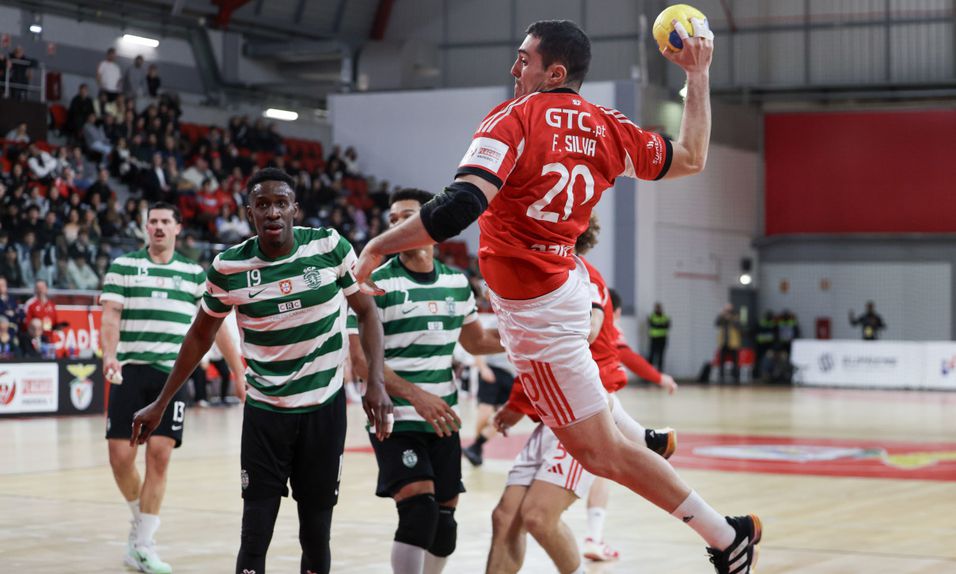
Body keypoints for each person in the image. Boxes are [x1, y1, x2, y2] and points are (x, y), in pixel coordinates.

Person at [353, 19, 760, 573]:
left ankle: (724, 533)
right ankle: (643, 434)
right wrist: (699, 74)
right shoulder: (608, 125)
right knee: (585, 414)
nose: (514, 68)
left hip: (534, 309)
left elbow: (456, 209)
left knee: (600, 453)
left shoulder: (513, 118)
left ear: (555, 71)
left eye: (524, 59)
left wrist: (377, 245)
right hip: (560, 284)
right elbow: (690, 156)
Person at [130, 168, 393, 574]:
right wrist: (161, 402)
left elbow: (366, 311)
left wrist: (374, 381)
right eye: (263, 204)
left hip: (323, 410)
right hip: (265, 413)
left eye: (281, 203)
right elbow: (199, 337)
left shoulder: (329, 246)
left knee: (315, 535)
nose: (273, 212)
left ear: (295, 209)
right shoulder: (228, 267)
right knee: (254, 536)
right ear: (249, 213)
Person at [346, 188, 504, 574]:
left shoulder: (455, 282)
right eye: (393, 220)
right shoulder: (372, 282)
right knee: (418, 510)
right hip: (394, 417)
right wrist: (416, 396)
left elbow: (476, 341)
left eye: (408, 218)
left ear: (432, 224)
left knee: (444, 524)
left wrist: (534, 337)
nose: (398, 226)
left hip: (442, 418)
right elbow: (361, 363)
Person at [99, 201, 245, 574]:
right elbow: (111, 317)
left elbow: (216, 326)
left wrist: (237, 370)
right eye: (153, 222)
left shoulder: (194, 275)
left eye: (166, 221)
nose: (159, 227)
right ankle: (138, 520)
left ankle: (144, 544)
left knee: (159, 458)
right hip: (130, 371)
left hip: (171, 377)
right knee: (120, 458)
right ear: (145, 227)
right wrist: (110, 356)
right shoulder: (124, 267)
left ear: (178, 228)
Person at [715, 304, 742, 384]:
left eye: (728, 309)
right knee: (721, 362)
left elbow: (739, 326)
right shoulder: (722, 318)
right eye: (726, 309)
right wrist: (721, 315)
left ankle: (736, 378)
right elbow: (717, 323)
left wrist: (730, 319)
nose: (727, 311)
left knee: (735, 362)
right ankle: (721, 378)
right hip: (724, 343)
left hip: (733, 343)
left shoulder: (736, 317)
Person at [753, 310, 777, 380]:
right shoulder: (768, 323)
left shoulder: (770, 323)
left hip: (764, 345)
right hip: (761, 345)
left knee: (765, 361)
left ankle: (767, 375)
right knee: (758, 360)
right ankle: (757, 375)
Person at [647, 302, 670, 371]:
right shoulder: (651, 316)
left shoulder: (665, 317)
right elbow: (652, 325)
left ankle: (660, 374)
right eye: (657, 308)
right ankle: (649, 374)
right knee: (651, 357)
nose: (658, 309)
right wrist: (661, 325)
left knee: (661, 358)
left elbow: (667, 326)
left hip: (662, 339)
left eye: (659, 308)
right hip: (654, 339)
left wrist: (657, 325)